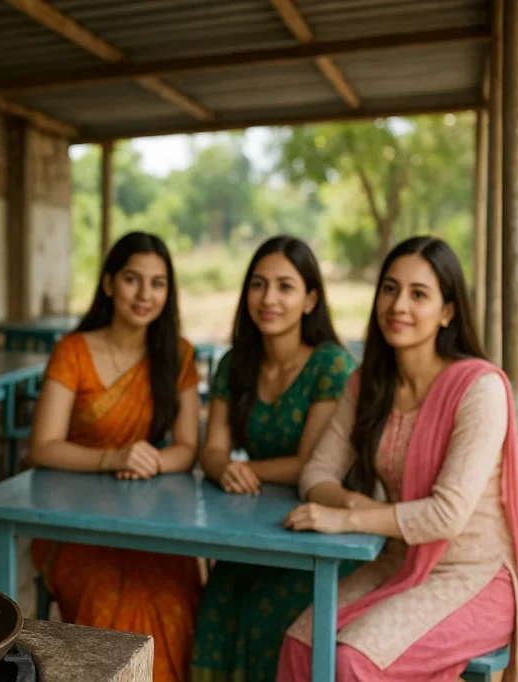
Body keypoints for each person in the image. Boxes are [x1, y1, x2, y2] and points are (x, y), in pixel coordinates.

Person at [277, 236, 518, 682]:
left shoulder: (479, 389)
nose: (398, 305)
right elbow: (317, 472)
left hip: (473, 576)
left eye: (418, 294)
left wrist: (346, 519)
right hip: (397, 558)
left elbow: (445, 517)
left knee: (354, 661)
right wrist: (357, 505)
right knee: (301, 644)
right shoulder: (368, 383)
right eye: (389, 289)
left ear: (447, 312)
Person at [28, 232, 203, 682]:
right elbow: (43, 446)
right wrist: (113, 457)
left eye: (158, 283)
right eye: (132, 279)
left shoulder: (177, 356)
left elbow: (187, 448)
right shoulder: (74, 351)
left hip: (153, 524)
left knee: (176, 597)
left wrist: (150, 461)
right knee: (111, 604)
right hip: (76, 524)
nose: (145, 295)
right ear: (108, 284)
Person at [191, 236, 355, 682]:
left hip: (318, 530)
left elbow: (311, 463)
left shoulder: (331, 366)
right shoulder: (234, 364)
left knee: (273, 617)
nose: (269, 299)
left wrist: (241, 470)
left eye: (286, 286)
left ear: (310, 300)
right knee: (217, 603)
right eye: (259, 285)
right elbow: (212, 452)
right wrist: (224, 466)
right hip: (253, 529)